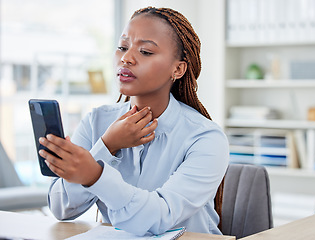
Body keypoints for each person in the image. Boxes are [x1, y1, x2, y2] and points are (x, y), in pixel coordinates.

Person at [39, 7, 229, 236]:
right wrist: (107, 146)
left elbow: (161, 218)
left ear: (178, 69)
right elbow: (61, 208)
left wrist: (95, 174)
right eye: (122, 47)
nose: (126, 58)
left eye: (146, 51)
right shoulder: (96, 122)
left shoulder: (206, 138)